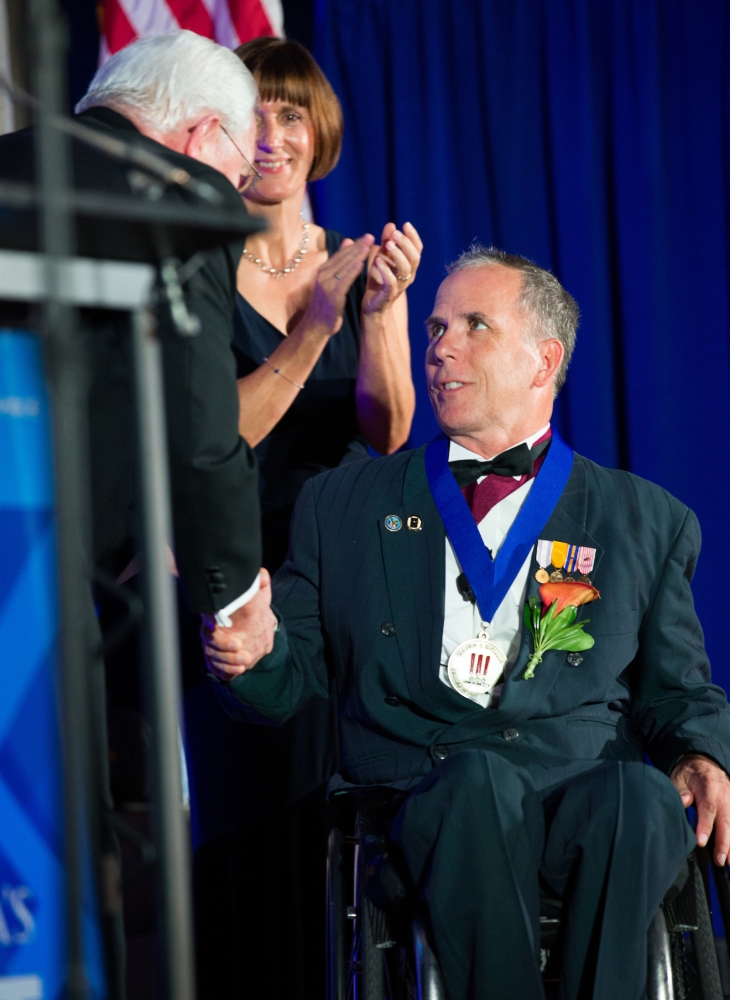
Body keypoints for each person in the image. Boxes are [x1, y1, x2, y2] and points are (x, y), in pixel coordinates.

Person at [203, 246, 730, 1000]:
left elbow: (679, 692)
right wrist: (251, 654)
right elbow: (286, 677)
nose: (440, 345)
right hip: (427, 796)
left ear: (542, 362)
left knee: (643, 799)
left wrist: (704, 756)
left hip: (579, 793)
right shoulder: (343, 505)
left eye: (473, 325)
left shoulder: (642, 519)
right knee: (476, 783)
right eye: (436, 327)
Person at [0, 30, 265, 999]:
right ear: (198, 140)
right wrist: (234, 595)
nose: (232, 204)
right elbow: (199, 433)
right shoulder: (176, 200)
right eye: (237, 178)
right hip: (30, 605)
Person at [184, 37, 419, 1000]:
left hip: (341, 587)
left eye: (290, 114)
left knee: (344, 829)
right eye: (255, 114)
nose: (272, 134)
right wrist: (314, 323)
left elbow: (391, 432)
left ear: (319, 132)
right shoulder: (194, 268)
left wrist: (381, 311)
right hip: (236, 579)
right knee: (249, 830)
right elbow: (216, 436)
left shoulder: (359, 264)